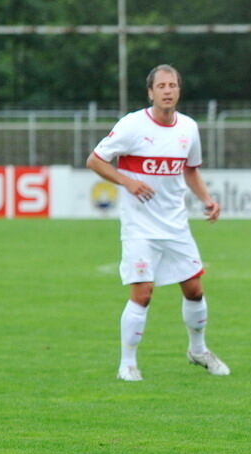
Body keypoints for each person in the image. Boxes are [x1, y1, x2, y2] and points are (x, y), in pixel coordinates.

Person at [86, 64, 229, 382]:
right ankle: (128, 363)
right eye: (161, 86)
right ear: (150, 92)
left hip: (176, 225)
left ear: (179, 90)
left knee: (194, 289)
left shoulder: (188, 128)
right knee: (143, 293)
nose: (167, 90)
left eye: (173, 85)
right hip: (139, 227)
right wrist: (127, 182)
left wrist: (207, 200)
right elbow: (95, 160)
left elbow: (191, 170)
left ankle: (198, 350)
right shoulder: (132, 126)